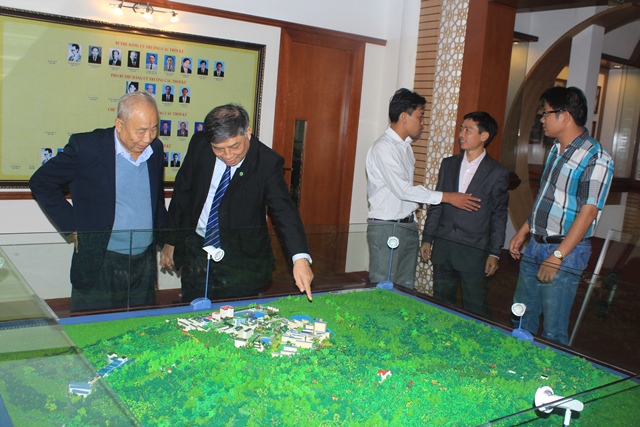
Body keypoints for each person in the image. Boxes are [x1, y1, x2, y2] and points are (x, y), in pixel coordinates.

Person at [160, 104, 313, 302]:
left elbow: (284, 210)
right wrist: (171, 239)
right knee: (194, 307)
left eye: (234, 146)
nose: (228, 155)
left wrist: (299, 258)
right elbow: (183, 191)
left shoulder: (267, 162)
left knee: (238, 314)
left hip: (241, 258)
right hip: (197, 248)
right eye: (218, 149)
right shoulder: (200, 144)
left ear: (247, 132)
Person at [29, 91, 167, 312]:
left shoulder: (156, 149)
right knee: (94, 325)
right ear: (119, 124)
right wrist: (72, 226)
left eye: (153, 129)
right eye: (141, 131)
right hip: (100, 261)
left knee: (139, 326)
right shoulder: (87, 147)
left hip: (143, 263)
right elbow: (41, 182)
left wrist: (167, 240)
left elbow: (155, 198)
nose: (148, 138)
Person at [509, 86, 614, 345]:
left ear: (564, 116)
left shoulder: (596, 157)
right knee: (521, 318)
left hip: (566, 251)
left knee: (553, 331)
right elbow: (547, 198)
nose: (542, 120)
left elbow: (589, 213)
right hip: (536, 244)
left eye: (545, 113)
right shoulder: (557, 148)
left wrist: (557, 256)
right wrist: (524, 230)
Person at [366, 88, 481, 289]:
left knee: (405, 287)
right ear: (404, 117)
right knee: (384, 288)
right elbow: (403, 190)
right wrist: (448, 197)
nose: (423, 123)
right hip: (387, 227)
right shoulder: (383, 148)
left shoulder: (405, 147)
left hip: (407, 225)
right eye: (420, 116)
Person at [421, 111, 509, 318]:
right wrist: (427, 239)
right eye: (461, 128)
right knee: (441, 305)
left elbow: (498, 215)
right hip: (443, 246)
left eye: (468, 130)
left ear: (484, 136)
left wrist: (494, 253)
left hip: (474, 250)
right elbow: (437, 203)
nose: (461, 134)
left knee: (476, 308)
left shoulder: (497, 172)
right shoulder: (448, 164)